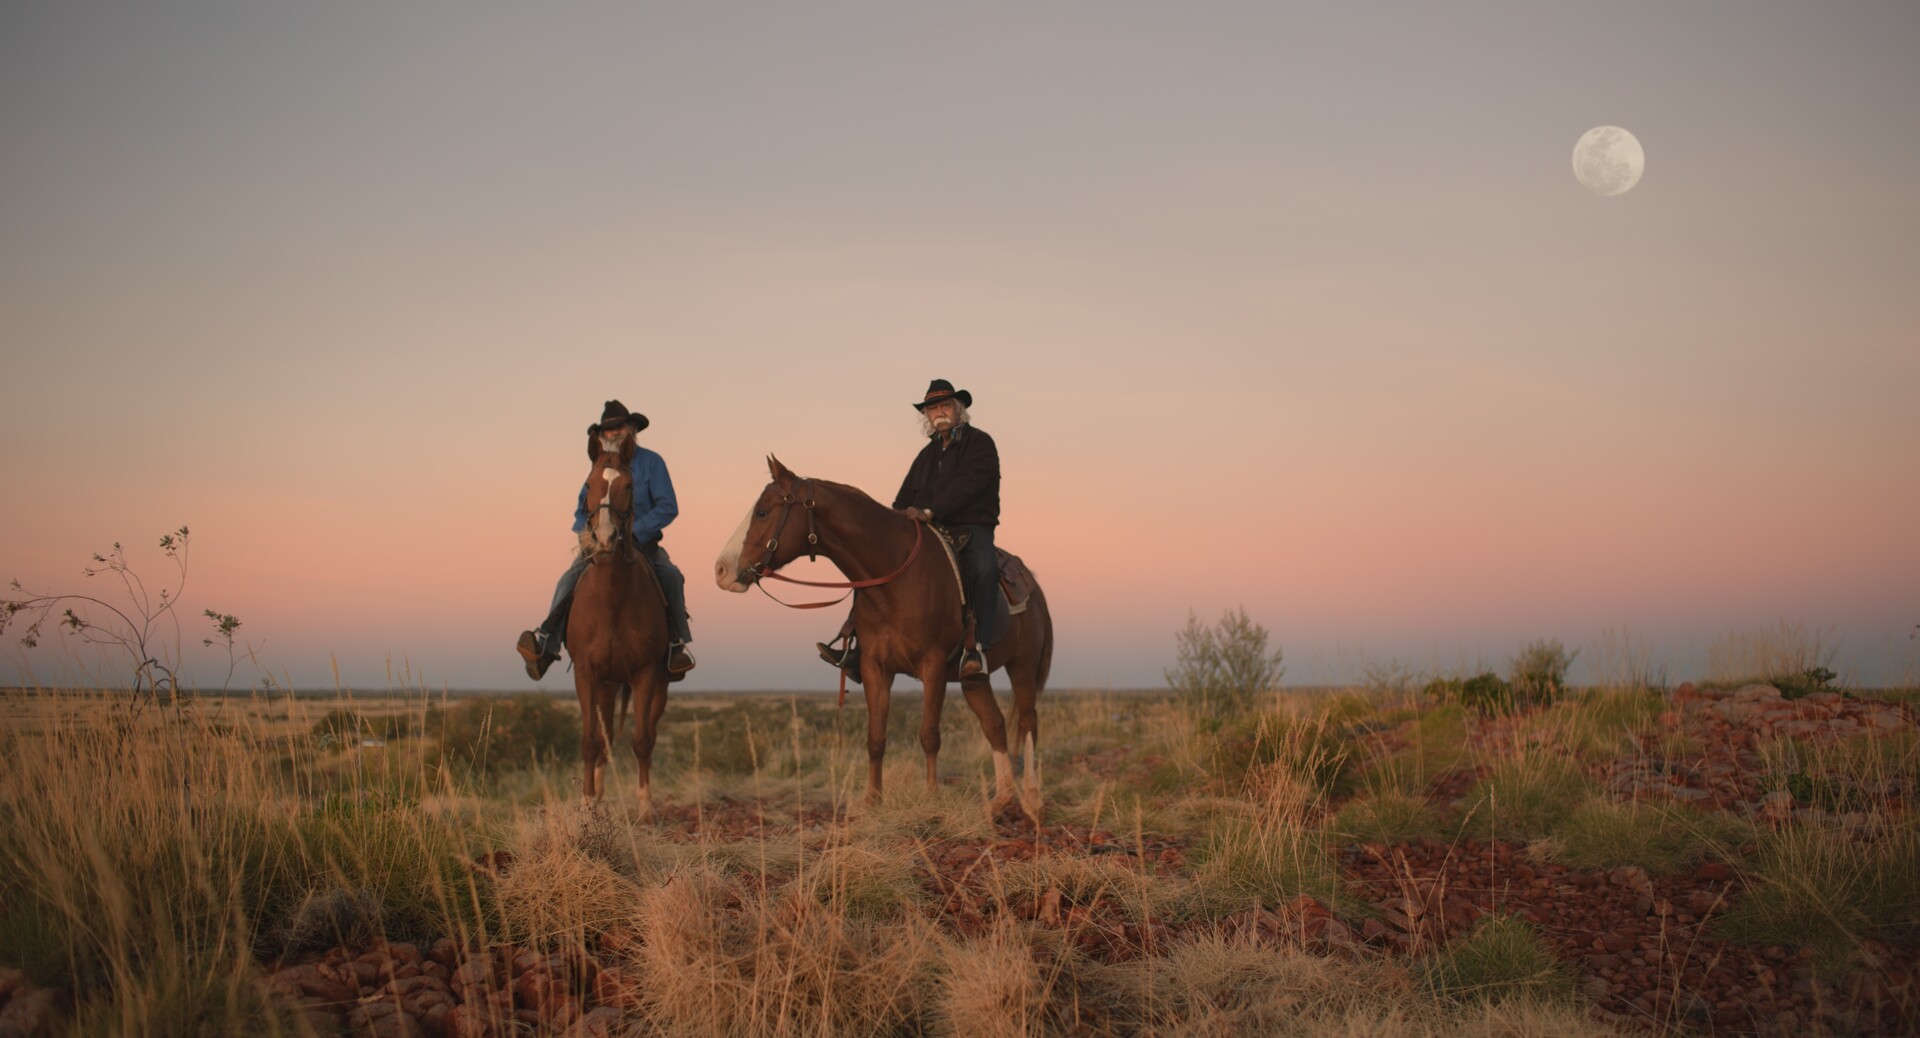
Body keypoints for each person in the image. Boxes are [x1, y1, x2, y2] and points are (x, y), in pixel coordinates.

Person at [818, 378, 1005, 678]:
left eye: (945, 405)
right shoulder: (926, 456)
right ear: (927, 416)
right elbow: (903, 498)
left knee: (984, 567)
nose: (939, 412)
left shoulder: (980, 444)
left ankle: (976, 649)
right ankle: (858, 647)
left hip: (970, 526)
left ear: (959, 410)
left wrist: (931, 510)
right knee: (870, 567)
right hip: (929, 528)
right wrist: (891, 527)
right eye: (933, 409)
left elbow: (968, 486)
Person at [517, 400, 694, 679]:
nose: (614, 433)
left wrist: (635, 531)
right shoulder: (598, 466)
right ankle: (546, 646)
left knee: (671, 576)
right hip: (598, 544)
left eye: (619, 427)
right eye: (608, 430)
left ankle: (676, 646)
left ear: (632, 428)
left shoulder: (652, 462)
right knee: (567, 579)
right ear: (601, 436)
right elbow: (581, 509)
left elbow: (667, 506)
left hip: (642, 545)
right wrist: (586, 536)